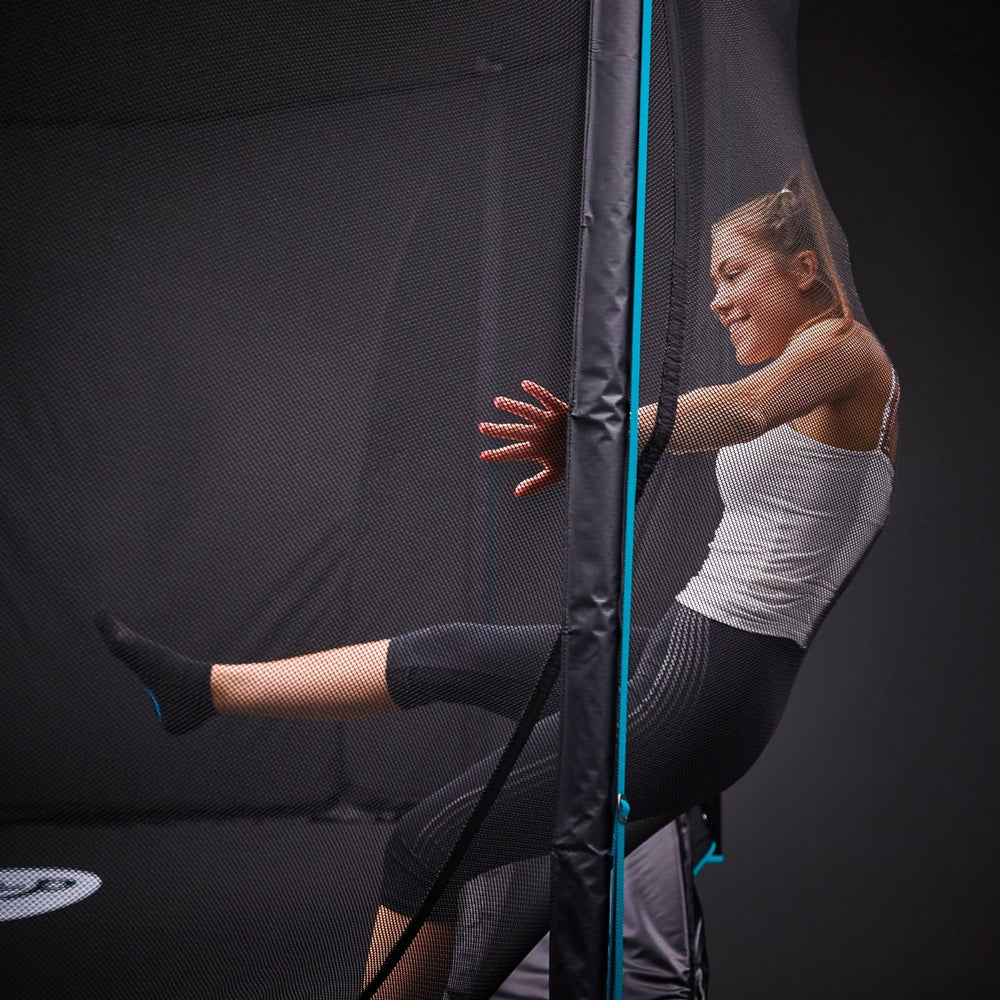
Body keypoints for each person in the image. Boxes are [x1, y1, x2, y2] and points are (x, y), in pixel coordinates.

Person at [95, 173, 899, 999]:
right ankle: (205, 690)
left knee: (427, 846)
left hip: (708, 687)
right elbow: (747, 415)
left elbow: (741, 410)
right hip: (684, 658)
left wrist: (596, 433)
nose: (719, 300)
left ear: (804, 267)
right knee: (450, 654)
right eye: (714, 281)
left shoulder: (845, 351)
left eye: (735, 274)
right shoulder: (820, 359)